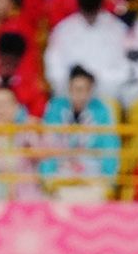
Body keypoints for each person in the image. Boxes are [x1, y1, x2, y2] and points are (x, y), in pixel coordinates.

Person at [41, 65, 120, 202]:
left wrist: (107, 180)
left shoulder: (102, 111)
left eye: (84, 89)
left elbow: (110, 146)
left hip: (92, 175)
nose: (79, 94)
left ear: (90, 91)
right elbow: (48, 144)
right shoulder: (55, 109)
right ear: (69, 89)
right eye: (76, 89)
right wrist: (47, 177)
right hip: (61, 172)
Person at [44, 0, 130, 103]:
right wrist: (75, 81)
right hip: (71, 89)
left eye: (93, 11)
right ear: (79, 5)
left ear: (100, 6)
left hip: (107, 88)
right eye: (87, 11)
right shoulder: (63, 30)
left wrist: (98, 79)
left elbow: (126, 67)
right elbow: (53, 64)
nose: (90, 16)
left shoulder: (117, 29)